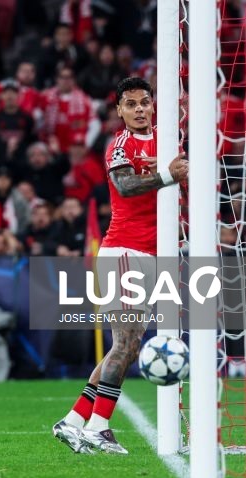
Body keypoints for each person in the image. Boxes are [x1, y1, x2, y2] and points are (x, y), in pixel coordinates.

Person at [52, 77, 188, 455]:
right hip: (124, 251)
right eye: (131, 104)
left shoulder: (166, 139)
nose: (140, 109)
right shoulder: (119, 145)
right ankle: (99, 427)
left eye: (145, 102)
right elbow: (126, 187)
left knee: (127, 348)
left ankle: (75, 419)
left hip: (151, 253)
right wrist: (167, 176)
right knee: (126, 341)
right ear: (120, 111)